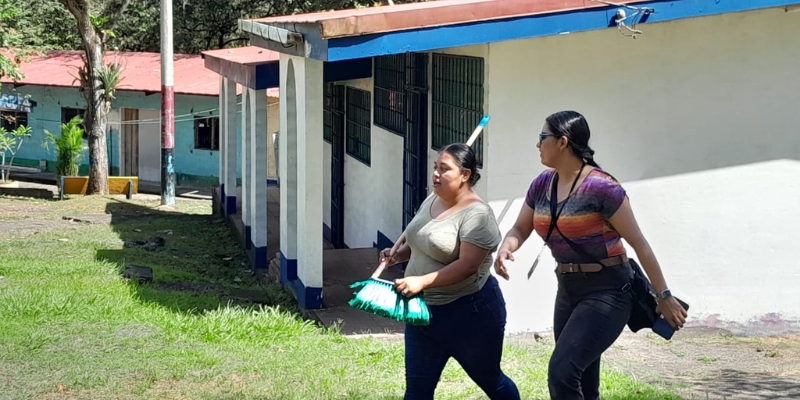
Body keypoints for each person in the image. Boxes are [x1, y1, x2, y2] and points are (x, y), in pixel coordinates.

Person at [493, 111, 687, 400]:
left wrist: (665, 295)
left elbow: (639, 243)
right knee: (582, 379)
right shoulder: (542, 185)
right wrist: (507, 245)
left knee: (562, 372)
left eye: (542, 137)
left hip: (609, 290)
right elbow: (521, 227)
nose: (537, 145)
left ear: (562, 142)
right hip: (569, 290)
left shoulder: (602, 188)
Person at [380, 143, 520, 400]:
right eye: (435, 167)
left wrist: (422, 281)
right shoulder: (433, 199)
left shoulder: (478, 216)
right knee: (416, 392)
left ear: (465, 175)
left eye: (444, 169)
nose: (435, 174)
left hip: (470, 314)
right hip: (422, 313)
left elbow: (468, 266)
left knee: (490, 380)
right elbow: (421, 240)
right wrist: (397, 256)